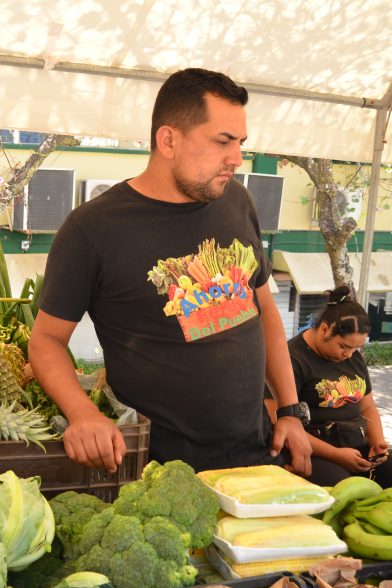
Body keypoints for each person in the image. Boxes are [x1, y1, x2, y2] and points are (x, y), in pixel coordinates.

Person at [28, 67, 311, 475]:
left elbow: (263, 307)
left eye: (240, 143)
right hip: (157, 470)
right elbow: (47, 341)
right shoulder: (92, 229)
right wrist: (83, 413)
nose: (237, 158)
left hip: (256, 451)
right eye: (223, 141)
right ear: (168, 140)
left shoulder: (238, 201)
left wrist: (290, 410)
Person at [264, 286, 392, 488]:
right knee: (349, 492)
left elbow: (367, 407)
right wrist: (336, 455)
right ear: (325, 329)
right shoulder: (291, 359)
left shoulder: (353, 358)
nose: (349, 354)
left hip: (356, 448)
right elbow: (275, 418)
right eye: (344, 346)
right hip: (313, 452)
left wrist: (377, 443)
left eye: (356, 348)